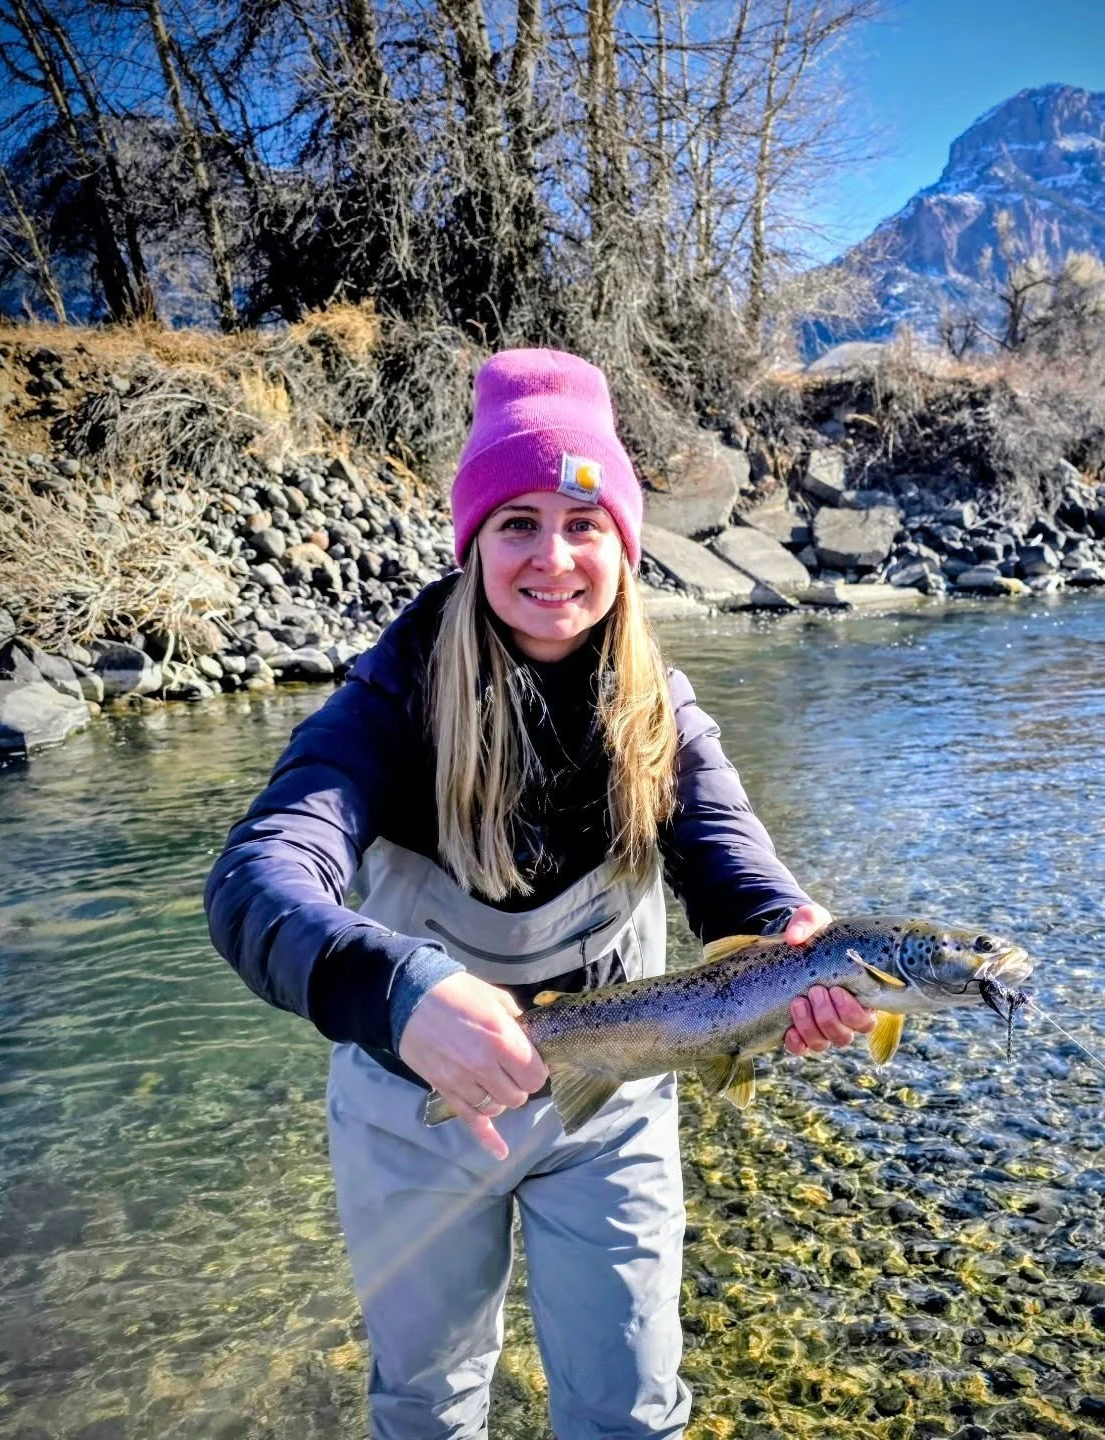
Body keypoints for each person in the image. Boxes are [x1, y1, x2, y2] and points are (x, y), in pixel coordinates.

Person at [204, 349, 875, 1440]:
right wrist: (397, 994)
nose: (552, 557)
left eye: (583, 523)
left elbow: (733, 867)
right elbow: (256, 879)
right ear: (473, 543)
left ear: (624, 543)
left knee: (631, 1412)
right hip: (415, 1108)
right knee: (426, 1405)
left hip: (611, 1110)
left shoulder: (662, 713)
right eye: (516, 522)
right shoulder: (386, 705)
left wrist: (786, 947)